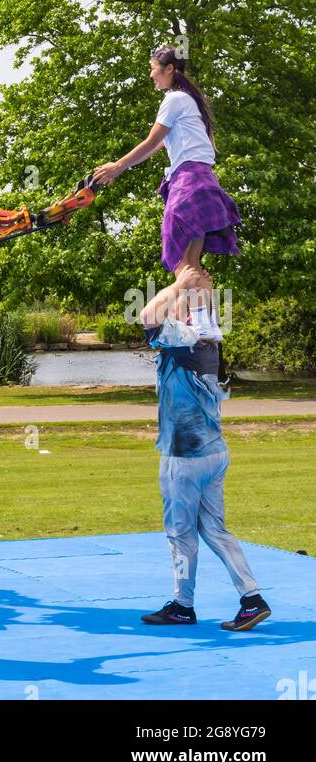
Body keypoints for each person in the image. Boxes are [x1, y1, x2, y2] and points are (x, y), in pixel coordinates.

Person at [140, 266, 271, 631]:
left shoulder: (181, 340)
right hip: (214, 454)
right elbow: (200, 306)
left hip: (184, 457)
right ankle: (252, 598)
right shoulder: (210, 343)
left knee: (180, 534)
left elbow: (147, 314)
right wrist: (194, 286)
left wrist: (179, 283)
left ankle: (183, 605)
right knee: (215, 530)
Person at [93, 45, 241, 326]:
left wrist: (117, 167)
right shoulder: (191, 102)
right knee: (193, 266)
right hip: (204, 183)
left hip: (188, 185)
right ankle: (205, 328)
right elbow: (158, 145)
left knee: (182, 266)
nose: (151, 75)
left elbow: (149, 143)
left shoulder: (174, 99)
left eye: (153, 68)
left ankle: (192, 324)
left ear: (169, 69)